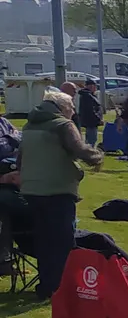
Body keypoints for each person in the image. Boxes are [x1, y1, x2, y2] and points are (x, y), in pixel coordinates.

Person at [19, 89, 104, 297]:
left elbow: (20, 158)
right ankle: (61, 287)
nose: (73, 111)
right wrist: (97, 157)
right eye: (72, 107)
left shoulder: (29, 125)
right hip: (57, 189)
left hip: (31, 189)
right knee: (63, 241)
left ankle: (46, 285)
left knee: (43, 240)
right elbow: (79, 149)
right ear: (63, 107)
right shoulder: (63, 125)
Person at [75, 79, 103, 148]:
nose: (95, 88)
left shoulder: (89, 95)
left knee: (90, 139)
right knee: (92, 139)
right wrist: (98, 119)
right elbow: (90, 110)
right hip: (91, 121)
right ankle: (89, 152)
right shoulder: (87, 96)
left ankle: (88, 151)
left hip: (90, 121)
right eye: (94, 86)